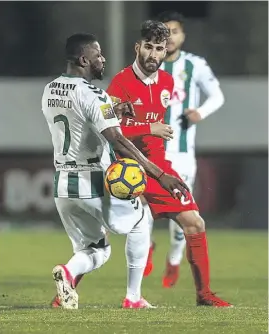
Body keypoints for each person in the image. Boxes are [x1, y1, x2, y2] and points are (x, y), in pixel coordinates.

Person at [43, 33, 189, 309]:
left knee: (95, 249)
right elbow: (118, 139)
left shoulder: (50, 89)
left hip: (63, 185)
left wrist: (114, 109)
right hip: (93, 179)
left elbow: (78, 118)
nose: (103, 59)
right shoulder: (93, 94)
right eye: (98, 55)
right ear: (84, 59)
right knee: (140, 220)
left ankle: (68, 272)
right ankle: (133, 297)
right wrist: (159, 174)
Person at [107, 20, 232, 307]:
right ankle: (69, 283)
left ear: (166, 51)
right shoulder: (120, 82)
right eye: (148, 47)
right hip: (131, 168)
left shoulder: (167, 82)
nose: (153, 54)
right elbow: (110, 129)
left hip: (161, 166)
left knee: (194, 223)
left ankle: (203, 294)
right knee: (98, 236)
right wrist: (148, 129)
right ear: (138, 47)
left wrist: (151, 135)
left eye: (159, 49)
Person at [142, 11, 225, 288]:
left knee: (182, 213)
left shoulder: (195, 65)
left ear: (182, 35)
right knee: (142, 206)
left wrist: (200, 112)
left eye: (175, 31)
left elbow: (217, 96)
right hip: (149, 152)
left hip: (181, 154)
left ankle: (174, 259)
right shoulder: (146, 65)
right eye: (165, 32)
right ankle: (146, 248)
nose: (171, 37)